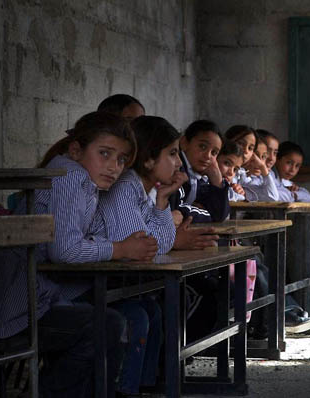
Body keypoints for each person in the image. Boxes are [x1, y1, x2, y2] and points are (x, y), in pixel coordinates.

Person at [0, 111, 154, 398]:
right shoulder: (71, 177)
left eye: (120, 160)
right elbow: (65, 250)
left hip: (40, 300)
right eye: (104, 154)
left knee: (115, 316)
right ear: (77, 150)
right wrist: (119, 249)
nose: (114, 167)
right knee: (108, 324)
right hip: (21, 312)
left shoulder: (84, 182)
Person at [92, 115, 188, 396]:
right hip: (88, 282)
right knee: (138, 316)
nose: (180, 163)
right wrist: (160, 221)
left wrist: (162, 202)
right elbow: (143, 250)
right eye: (172, 153)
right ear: (148, 160)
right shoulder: (125, 188)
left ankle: (144, 387)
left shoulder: (143, 190)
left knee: (151, 310)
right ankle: (127, 391)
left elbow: (162, 245)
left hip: (113, 281)